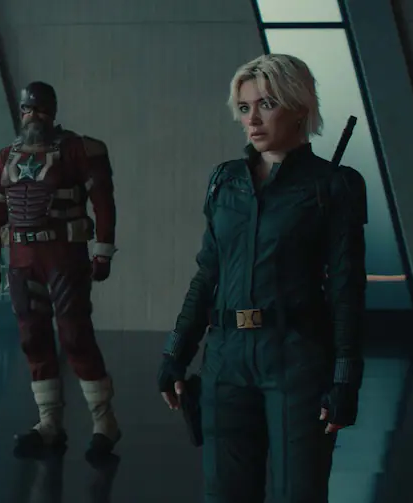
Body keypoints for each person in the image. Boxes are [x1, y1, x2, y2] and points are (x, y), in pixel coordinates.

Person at [157, 53, 367, 502]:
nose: (252, 119)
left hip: (297, 357)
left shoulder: (335, 185)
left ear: (299, 108)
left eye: (266, 104)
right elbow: (207, 273)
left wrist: (346, 379)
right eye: (245, 107)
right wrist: (176, 353)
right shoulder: (224, 182)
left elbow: (347, 290)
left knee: (299, 493)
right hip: (225, 360)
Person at [0, 81, 122, 459]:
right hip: (22, 261)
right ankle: (48, 422)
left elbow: (103, 202)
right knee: (33, 338)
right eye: (28, 109)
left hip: (64, 257)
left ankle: (104, 421)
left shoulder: (79, 149)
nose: (34, 116)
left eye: (41, 108)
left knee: (75, 335)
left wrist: (103, 251)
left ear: (53, 111)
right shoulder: (3, 158)